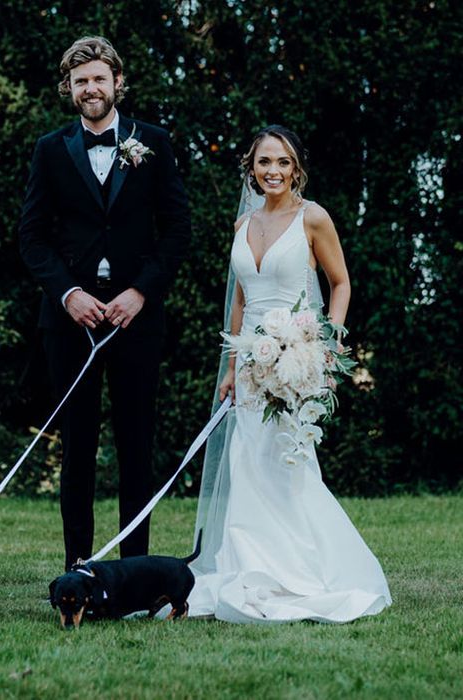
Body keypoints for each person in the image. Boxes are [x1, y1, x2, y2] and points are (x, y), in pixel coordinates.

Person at [188, 125, 391, 622]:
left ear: (295, 166)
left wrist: (325, 342)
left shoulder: (313, 218)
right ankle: (249, 568)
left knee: (287, 464)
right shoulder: (243, 225)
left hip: (295, 356)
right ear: (251, 169)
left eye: (281, 162)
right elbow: (238, 300)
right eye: (263, 163)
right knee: (247, 461)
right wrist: (232, 367)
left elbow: (339, 283)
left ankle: (302, 571)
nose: (272, 171)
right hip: (252, 362)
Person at [19, 36, 191, 571]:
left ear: (118, 82)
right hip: (71, 324)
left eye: (99, 78)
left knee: (136, 448)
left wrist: (140, 291)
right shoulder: (50, 149)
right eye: (80, 81)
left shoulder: (154, 143)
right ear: (69, 90)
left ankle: (135, 571)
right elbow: (32, 237)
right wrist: (68, 295)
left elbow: (178, 229)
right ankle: (79, 569)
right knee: (77, 449)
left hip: (136, 320)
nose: (91, 89)